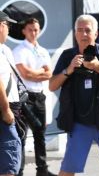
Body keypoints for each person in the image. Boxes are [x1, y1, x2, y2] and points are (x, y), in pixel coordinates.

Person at [49, 14, 99, 176]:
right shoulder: (67, 56)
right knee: (68, 169)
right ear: (75, 34)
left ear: (96, 34)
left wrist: (98, 66)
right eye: (80, 30)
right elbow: (52, 85)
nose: (84, 34)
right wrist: (69, 70)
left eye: (88, 30)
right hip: (79, 123)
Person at [12, 18, 55, 176]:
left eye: (36, 29)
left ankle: (42, 170)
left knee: (40, 134)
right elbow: (25, 74)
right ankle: (19, 171)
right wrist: (39, 72)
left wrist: (35, 73)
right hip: (24, 97)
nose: (34, 32)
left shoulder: (42, 51)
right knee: (22, 135)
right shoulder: (19, 51)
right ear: (24, 31)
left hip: (39, 96)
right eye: (30, 29)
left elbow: (49, 74)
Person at [0, 11, 22, 176]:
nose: (9, 29)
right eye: (8, 25)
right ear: (1, 26)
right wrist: (6, 109)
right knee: (9, 161)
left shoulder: (5, 50)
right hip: (4, 109)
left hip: (11, 106)